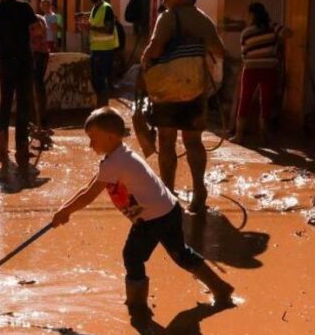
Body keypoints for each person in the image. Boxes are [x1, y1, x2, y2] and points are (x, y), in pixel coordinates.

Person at [51, 107, 234, 314]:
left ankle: (137, 306)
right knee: (181, 253)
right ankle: (220, 288)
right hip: (169, 209)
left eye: (93, 137)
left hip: (151, 219)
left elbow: (90, 195)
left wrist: (66, 212)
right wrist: (64, 209)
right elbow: (89, 187)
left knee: (132, 256)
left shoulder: (115, 163)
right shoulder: (120, 155)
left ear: (110, 137)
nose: (90, 143)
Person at [141, 0, 225, 214]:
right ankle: (199, 192)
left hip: (167, 91)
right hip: (195, 89)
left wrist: (144, 62)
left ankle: (167, 193)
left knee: (166, 141)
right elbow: (219, 51)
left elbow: (155, 48)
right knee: (193, 141)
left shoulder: (167, 17)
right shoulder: (203, 19)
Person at [0, 0, 38, 168]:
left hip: (6, 62)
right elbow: (35, 30)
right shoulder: (24, 8)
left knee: (6, 102)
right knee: (23, 104)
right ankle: (22, 146)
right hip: (24, 61)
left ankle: (2, 145)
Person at [232, 2, 287, 145]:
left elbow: (244, 54)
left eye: (248, 14)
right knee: (266, 102)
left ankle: (239, 136)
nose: (246, 16)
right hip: (269, 69)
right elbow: (288, 33)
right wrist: (277, 39)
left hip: (251, 69)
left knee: (244, 100)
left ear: (253, 15)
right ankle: (264, 136)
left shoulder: (245, 33)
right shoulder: (273, 27)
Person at [85, 0, 120, 107]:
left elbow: (109, 29)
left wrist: (90, 27)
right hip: (96, 49)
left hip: (105, 50)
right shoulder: (95, 8)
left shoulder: (106, 8)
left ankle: (104, 110)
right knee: (96, 81)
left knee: (101, 81)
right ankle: (101, 108)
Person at [23, 0, 50, 128]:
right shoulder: (22, 20)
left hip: (39, 53)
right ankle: (33, 117)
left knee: (38, 84)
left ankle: (41, 118)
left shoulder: (37, 18)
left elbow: (40, 33)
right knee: (30, 85)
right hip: (28, 54)